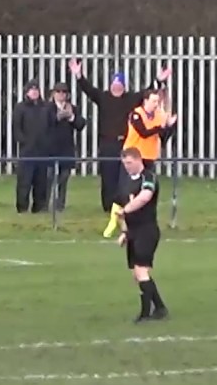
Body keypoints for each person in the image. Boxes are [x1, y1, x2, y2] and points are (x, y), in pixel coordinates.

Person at [68, 60, 170, 213]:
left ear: (123, 86)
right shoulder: (103, 97)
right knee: (108, 175)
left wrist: (159, 80)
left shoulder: (130, 99)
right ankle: (108, 207)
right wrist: (78, 75)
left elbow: (147, 92)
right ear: (111, 85)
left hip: (125, 143)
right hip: (107, 142)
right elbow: (88, 89)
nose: (117, 87)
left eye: (119, 84)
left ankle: (125, 204)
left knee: (125, 176)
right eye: (114, 84)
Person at [105, 90, 176, 237]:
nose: (156, 105)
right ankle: (114, 220)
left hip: (149, 157)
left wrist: (169, 126)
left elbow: (163, 137)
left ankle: (137, 224)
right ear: (145, 101)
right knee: (123, 192)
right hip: (133, 157)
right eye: (153, 101)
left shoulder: (159, 116)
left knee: (144, 193)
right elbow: (144, 132)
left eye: (158, 102)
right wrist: (161, 127)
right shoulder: (136, 114)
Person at [115, 148, 167, 323]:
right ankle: (160, 308)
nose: (127, 167)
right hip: (133, 232)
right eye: (124, 164)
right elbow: (120, 210)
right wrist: (124, 231)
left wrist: (126, 210)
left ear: (138, 160)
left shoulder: (149, 177)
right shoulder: (126, 182)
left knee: (141, 270)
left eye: (129, 163)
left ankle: (146, 313)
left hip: (147, 230)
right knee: (137, 274)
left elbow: (144, 197)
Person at [11, 80, 51, 213]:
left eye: (36, 89)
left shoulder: (45, 107)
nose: (34, 92)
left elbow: (50, 126)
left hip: (42, 151)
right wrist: (24, 142)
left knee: (41, 182)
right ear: (26, 92)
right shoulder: (20, 107)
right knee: (24, 181)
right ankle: (22, 207)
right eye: (31, 89)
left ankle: (39, 207)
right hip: (27, 151)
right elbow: (17, 128)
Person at [45, 82, 86, 212]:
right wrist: (57, 117)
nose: (61, 95)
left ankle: (60, 206)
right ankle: (45, 204)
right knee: (48, 178)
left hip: (66, 149)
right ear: (53, 94)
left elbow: (80, 125)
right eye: (58, 92)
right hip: (50, 148)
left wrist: (71, 117)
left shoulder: (72, 108)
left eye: (64, 92)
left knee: (64, 178)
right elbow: (44, 124)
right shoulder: (47, 108)